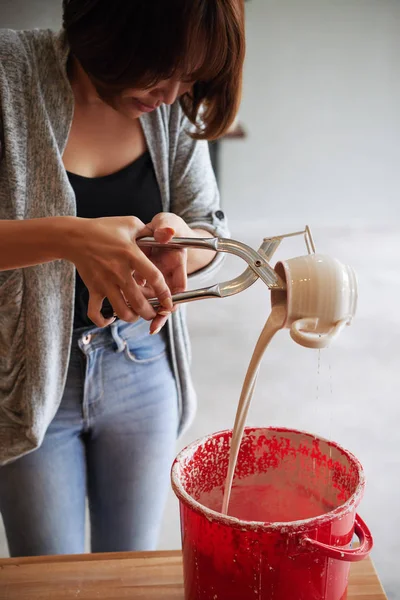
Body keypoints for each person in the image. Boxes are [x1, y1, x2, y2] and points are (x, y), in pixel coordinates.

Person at [0, 0, 245, 556]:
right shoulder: (10, 73)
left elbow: (210, 228)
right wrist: (71, 236)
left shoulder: (171, 107)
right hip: (27, 375)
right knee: (48, 580)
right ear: (108, 28)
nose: (174, 93)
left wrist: (180, 242)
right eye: (164, 67)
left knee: (128, 568)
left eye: (191, 75)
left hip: (144, 366)